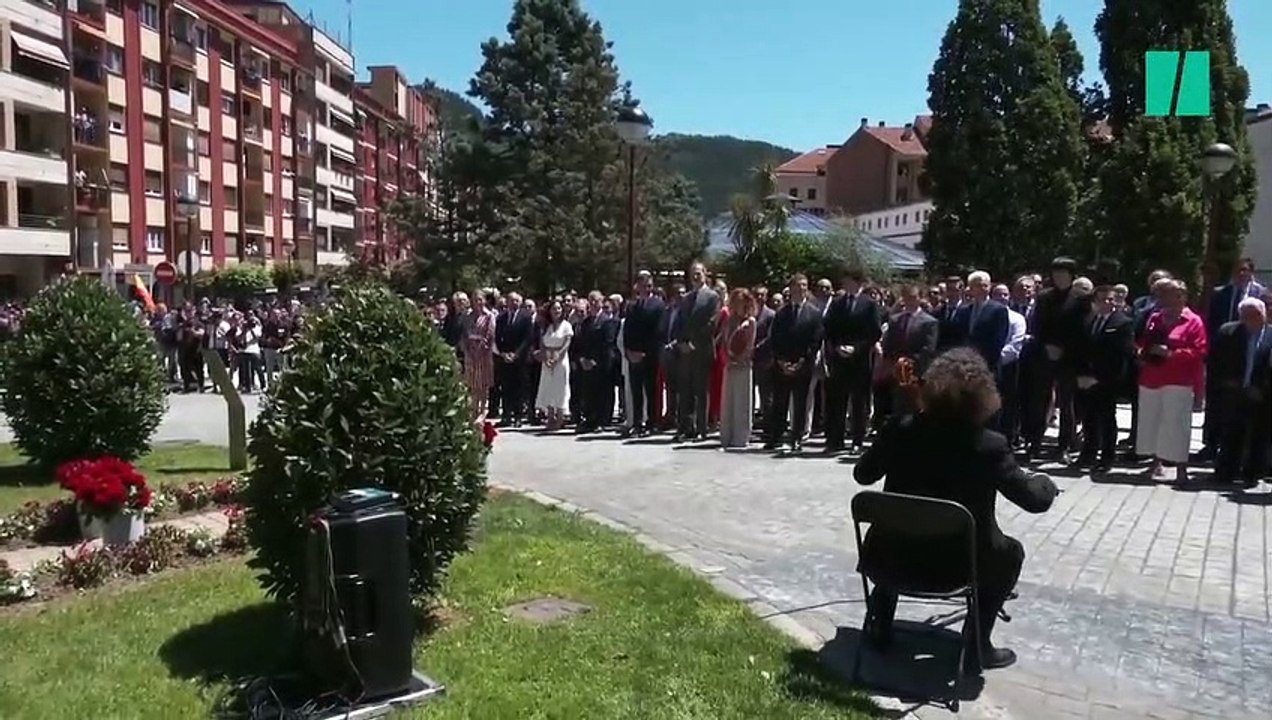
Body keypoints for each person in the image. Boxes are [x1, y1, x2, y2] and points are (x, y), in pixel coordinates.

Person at [854, 348, 1059, 672]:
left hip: (891, 558)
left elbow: (862, 475)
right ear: (983, 397)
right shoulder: (989, 445)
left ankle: (880, 624)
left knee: (899, 523)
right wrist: (1044, 481)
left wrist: (897, 427)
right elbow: (1035, 500)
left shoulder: (900, 430)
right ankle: (978, 645)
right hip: (958, 565)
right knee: (1011, 553)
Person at [1135, 279, 1207, 482]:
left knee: (1176, 425)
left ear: (1181, 296)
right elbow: (1143, 340)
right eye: (1162, 294)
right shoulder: (1155, 318)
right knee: (1152, 422)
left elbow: (1199, 351)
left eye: (1168, 294)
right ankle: (1155, 463)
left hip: (1179, 380)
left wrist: (1171, 354)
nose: (1163, 298)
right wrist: (1142, 351)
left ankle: (1181, 469)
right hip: (1151, 376)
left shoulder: (1193, 321)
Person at [1208, 296, 1271, 486]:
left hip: (1263, 395)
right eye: (1246, 316)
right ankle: (1226, 471)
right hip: (1233, 391)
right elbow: (1215, 363)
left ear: (1264, 315)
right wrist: (1225, 384)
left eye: (1256, 315)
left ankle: (1252, 473)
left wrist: (1261, 388)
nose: (1251, 320)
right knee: (1231, 433)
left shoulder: (1270, 336)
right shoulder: (1228, 332)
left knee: (1259, 435)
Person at [1074, 285, 1135, 472]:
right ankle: (1088, 453)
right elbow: (1082, 350)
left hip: (1108, 379)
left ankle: (1107, 457)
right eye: (1103, 300)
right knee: (1089, 418)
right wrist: (1082, 375)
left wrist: (1100, 378)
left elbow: (1121, 355)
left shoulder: (1123, 323)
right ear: (1095, 302)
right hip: (1086, 379)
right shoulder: (1088, 320)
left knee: (1107, 418)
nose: (1108, 303)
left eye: (1111, 299)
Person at [719, 288, 757, 449]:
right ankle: (726, 435)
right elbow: (725, 341)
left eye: (741, 303)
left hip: (743, 366)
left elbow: (750, 345)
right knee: (728, 401)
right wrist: (728, 357)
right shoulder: (729, 321)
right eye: (735, 303)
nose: (738, 306)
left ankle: (740, 436)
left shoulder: (751, 322)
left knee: (742, 401)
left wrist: (740, 358)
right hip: (730, 365)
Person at [534, 300, 574, 430]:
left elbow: (566, 344)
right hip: (547, 359)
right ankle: (550, 416)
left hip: (561, 359)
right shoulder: (547, 326)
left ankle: (560, 417)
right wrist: (545, 357)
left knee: (560, 388)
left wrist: (557, 357)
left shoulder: (566, 326)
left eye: (558, 309)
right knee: (548, 387)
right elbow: (542, 343)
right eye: (554, 309)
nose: (556, 311)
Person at [461, 290, 496, 420]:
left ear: (484, 300)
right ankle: (474, 409)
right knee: (472, 383)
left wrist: (481, 350)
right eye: (475, 299)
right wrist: (467, 350)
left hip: (483, 354)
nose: (478, 302)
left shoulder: (489, 316)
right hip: (470, 353)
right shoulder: (468, 316)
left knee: (483, 384)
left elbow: (490, 335)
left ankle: (482, 409)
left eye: (480, 299)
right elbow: (464, 334)